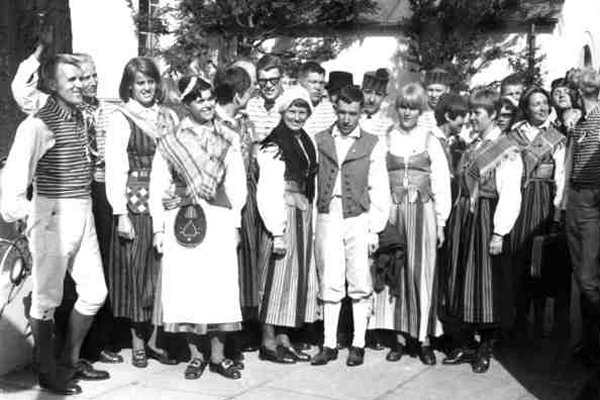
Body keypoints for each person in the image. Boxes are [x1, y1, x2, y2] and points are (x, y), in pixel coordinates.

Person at [2, 54, 109, 395]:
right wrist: (29, 214)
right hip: (53, 214)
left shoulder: (79, 114)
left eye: (81, 78)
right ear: (52, 84)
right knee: (46, 298)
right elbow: (13, 180)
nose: (80, 85)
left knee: (95, 292)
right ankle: (47, 372)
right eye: (71, 80)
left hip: (83, 209)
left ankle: (69, 361)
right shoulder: (37, 124)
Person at [149, 75, 246, 380]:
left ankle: (218, 356)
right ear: (186, 104)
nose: (207, 104)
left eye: (210, 98)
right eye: (199, 99)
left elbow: (237, 182)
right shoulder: (171, 140)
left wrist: (235, 221)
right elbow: (158, 184)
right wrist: (158, 228)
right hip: (183, 218)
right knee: (187, 285)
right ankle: (196, 356)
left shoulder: (228, 136)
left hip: (218, 215)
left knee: (219, 286)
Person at [440, 88, 523, 373]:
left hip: (486, 217)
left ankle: (485, 346)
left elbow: (510, 193)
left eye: (477, 113)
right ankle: (466, 343)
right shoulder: (473, 144)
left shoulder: (506, 148)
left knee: (485, 282)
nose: (471, 118)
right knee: (464, 279)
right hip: (465, 216)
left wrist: (499, 232)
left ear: (494, 114)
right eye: (471, 112)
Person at [369, 83, 451, 365]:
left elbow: (441, 182)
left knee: (422, 272)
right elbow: (376, 180)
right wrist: (378, 220)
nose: (407, 112)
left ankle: (424, 339)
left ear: (420, 110)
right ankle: (399, 338)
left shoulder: (430, 140)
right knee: (396, 270)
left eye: (413, 108)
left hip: (422, 212)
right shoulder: (386, 138)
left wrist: (441, 222)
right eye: (403, 106)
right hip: (393, 212)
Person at [105, 57, 177, 368]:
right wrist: (120, 213)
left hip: (166, 199)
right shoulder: (121, 118)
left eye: (150, 81)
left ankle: (156, 340)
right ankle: (137, 342)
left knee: (161, 272)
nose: (146, 88)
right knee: (138, 271)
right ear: (130, 87)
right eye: (140, 83)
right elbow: (115, 168)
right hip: (136, 202)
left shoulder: (167, 115)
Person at [311, 85, 390, 367]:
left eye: (352, 114)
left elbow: (379, 188)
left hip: (358, 217)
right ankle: (329, 343)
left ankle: (358, 343)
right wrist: (315, 223)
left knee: (359, 279)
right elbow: (314, 184)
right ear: (336, 109)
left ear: (360, 113)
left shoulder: (372, 143)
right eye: (342, 112)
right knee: (330, 279)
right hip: (328, 214)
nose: (346, 119)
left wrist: (374, 229)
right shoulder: (321, 139)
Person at [256, 85, 320, 364]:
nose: (297, 116)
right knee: (274, 279)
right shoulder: (274, 145)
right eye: (292, 111)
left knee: (291, 280)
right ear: (283, 111)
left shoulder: (305, 140)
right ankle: (267, 341)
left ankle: (284, 339)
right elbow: (268, 189)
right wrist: (277, 231)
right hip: (281, 217)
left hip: (301, 214)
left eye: (302, 111)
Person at [507, 87, 566, 340]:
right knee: (517, 257)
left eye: (544, 103)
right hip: (517, 200)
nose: (541, 108)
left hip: (543, 200)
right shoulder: (514, 135)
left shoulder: (557, 137)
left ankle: (540, 322)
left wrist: (557, 211)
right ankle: (517, 320)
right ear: (526, 108)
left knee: (540, 262)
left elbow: (561, 176)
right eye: (535, 104)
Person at [213, 66, 261, 360]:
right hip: (221, 199)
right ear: (239, 96)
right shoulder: (212, 122)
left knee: (244, 266)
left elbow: (253, 159)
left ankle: (236, 335)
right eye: (249, 92)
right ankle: (219, 338)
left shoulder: (245, 123)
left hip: (246, 197)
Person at [565, 68, 600, 367]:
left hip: (592, 200)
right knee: (581, 276)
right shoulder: (579, 121)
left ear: (579, 92)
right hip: (576, 198)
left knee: (589, 279)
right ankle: (588, 343)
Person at [246, 55, 285, 142]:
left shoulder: (290, 104)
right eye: (263, 81)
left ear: (281, 79)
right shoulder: (249, 106)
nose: (268, 85)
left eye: (273, 80)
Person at [298, 61, 337, 137]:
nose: (318, 87)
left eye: (321, 83)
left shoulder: (331, 111)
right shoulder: (289, 108)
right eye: (313, 82)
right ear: (301, 83)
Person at [360, 68, 394, 137]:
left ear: (384, 97)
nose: (372, 100)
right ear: (361, 92)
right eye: (368, 92)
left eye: (378, 94)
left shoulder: (388, 123)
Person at [419, 68, 451, 132]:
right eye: (430, 90)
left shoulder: (453, 117)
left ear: (447, 90)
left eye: (438, 90)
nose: (433, 95)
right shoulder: (418, 118)